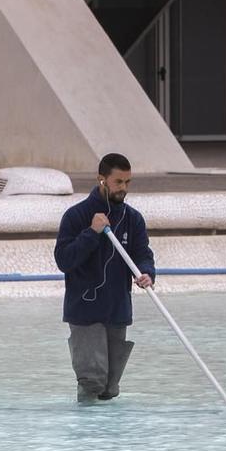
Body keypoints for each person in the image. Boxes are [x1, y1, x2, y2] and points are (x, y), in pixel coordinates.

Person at [54, 153, 155, 403]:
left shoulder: (133, 219)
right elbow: (64, 260)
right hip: (84, 309)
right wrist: (91, 233)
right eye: (118, 182)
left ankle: (108, 442)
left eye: (128, 182)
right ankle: (86, 438)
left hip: (117, 309)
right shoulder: (76, 216)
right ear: (102, 179)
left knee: (109, 387)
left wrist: (146, 273)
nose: (124, 189)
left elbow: (143, 254)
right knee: (91, 381)